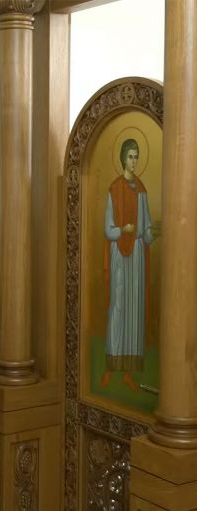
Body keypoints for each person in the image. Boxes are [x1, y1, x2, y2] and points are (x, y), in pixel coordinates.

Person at [101, 138, 156, 392]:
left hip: (136, 255)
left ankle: (129, 372)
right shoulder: (114, 188)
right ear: (123, 157)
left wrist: (152, 233)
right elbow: (108, 229)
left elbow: (145, 228)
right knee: (119, 306)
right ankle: (112, 366)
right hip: (120, 255)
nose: (134, 161)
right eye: (131, 156)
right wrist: (122, 229)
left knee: (134, 309)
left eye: (137, 156)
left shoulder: (142, 190)